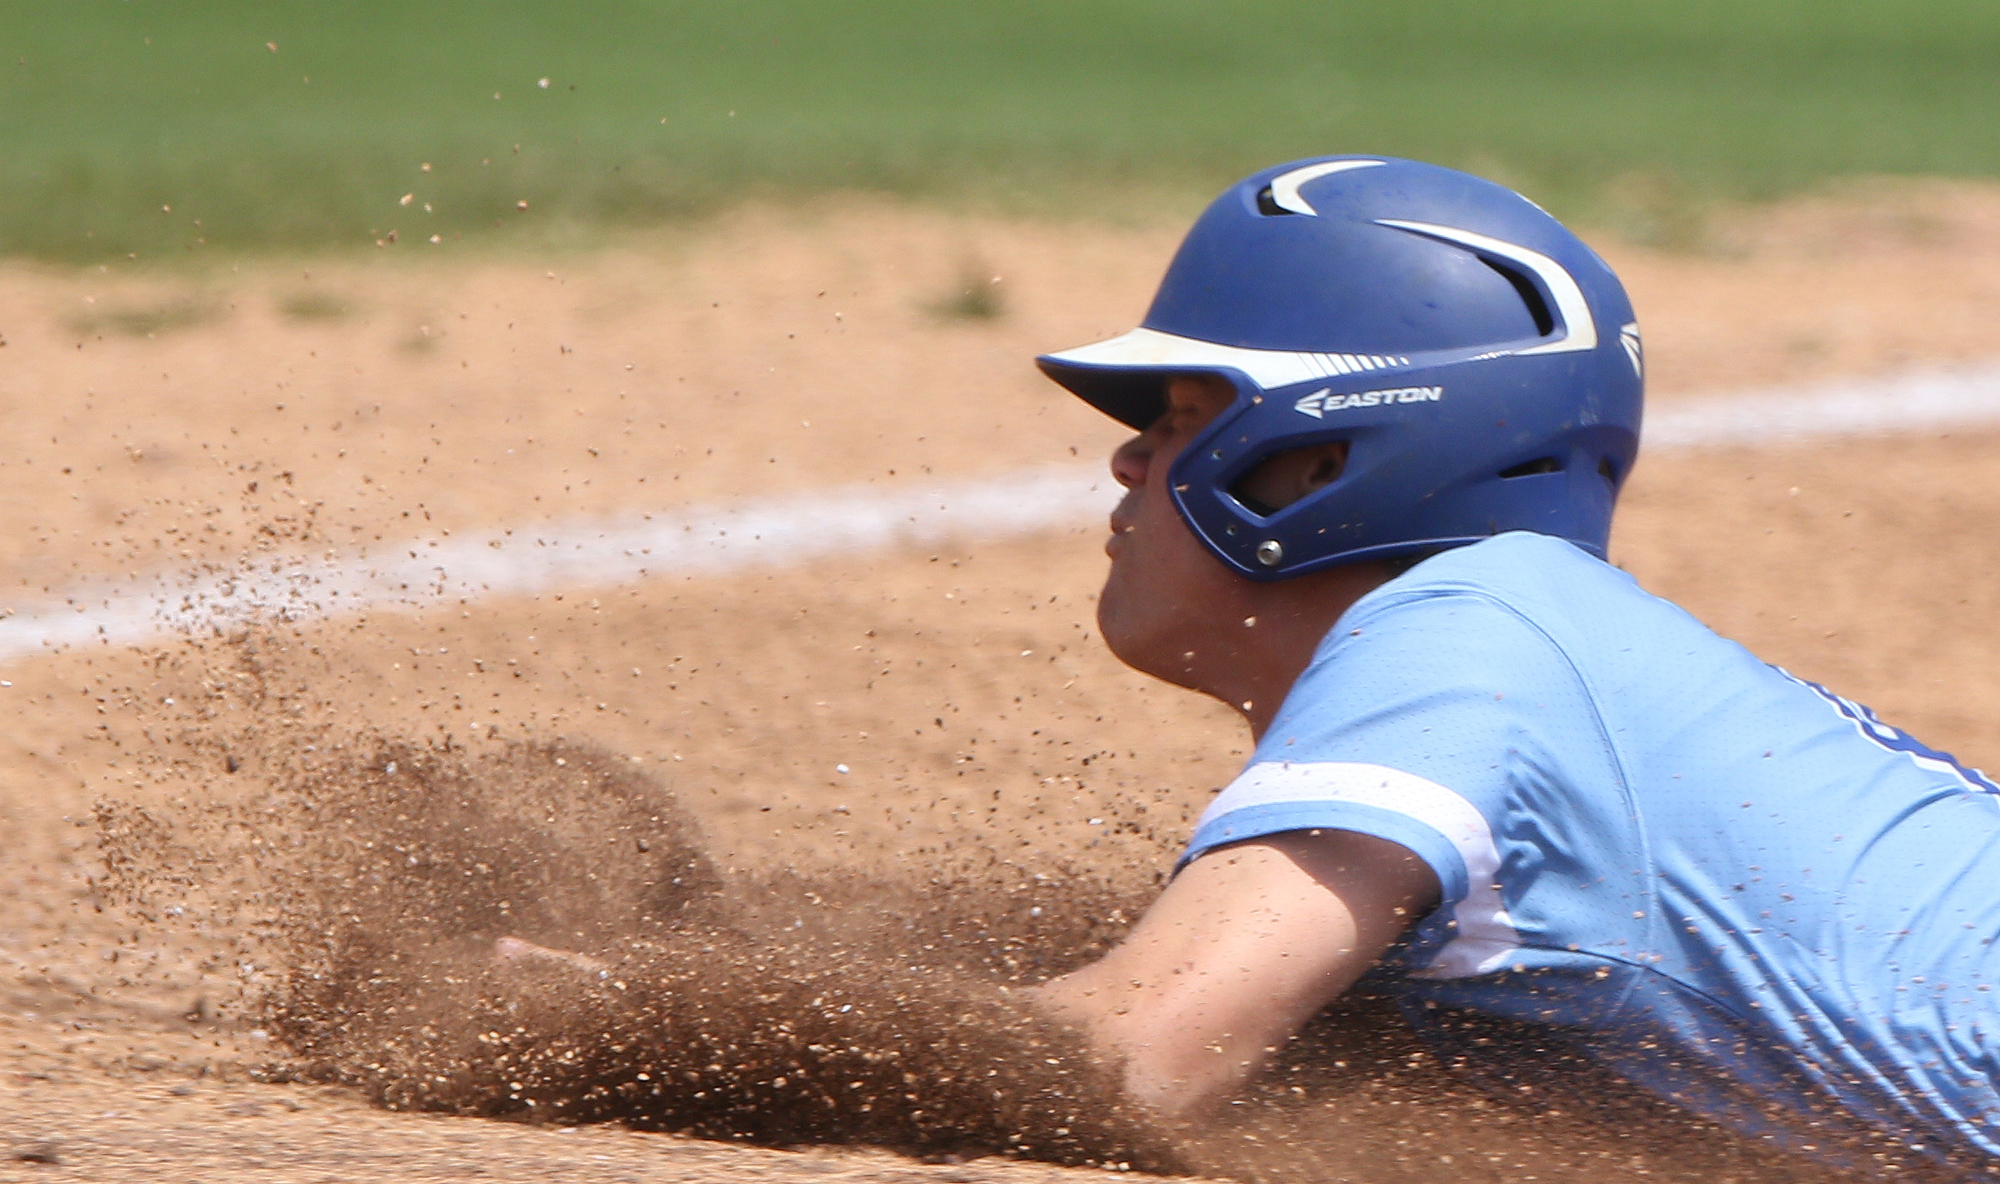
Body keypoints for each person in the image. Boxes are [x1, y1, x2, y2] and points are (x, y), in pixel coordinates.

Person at [513, 156, 2000, 1172]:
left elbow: (1123, 1060)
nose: (1125, 458)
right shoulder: (1513, 637)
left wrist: (625, 1024)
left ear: (1319, 457)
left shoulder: (1459, 649)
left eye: (1176, 417)